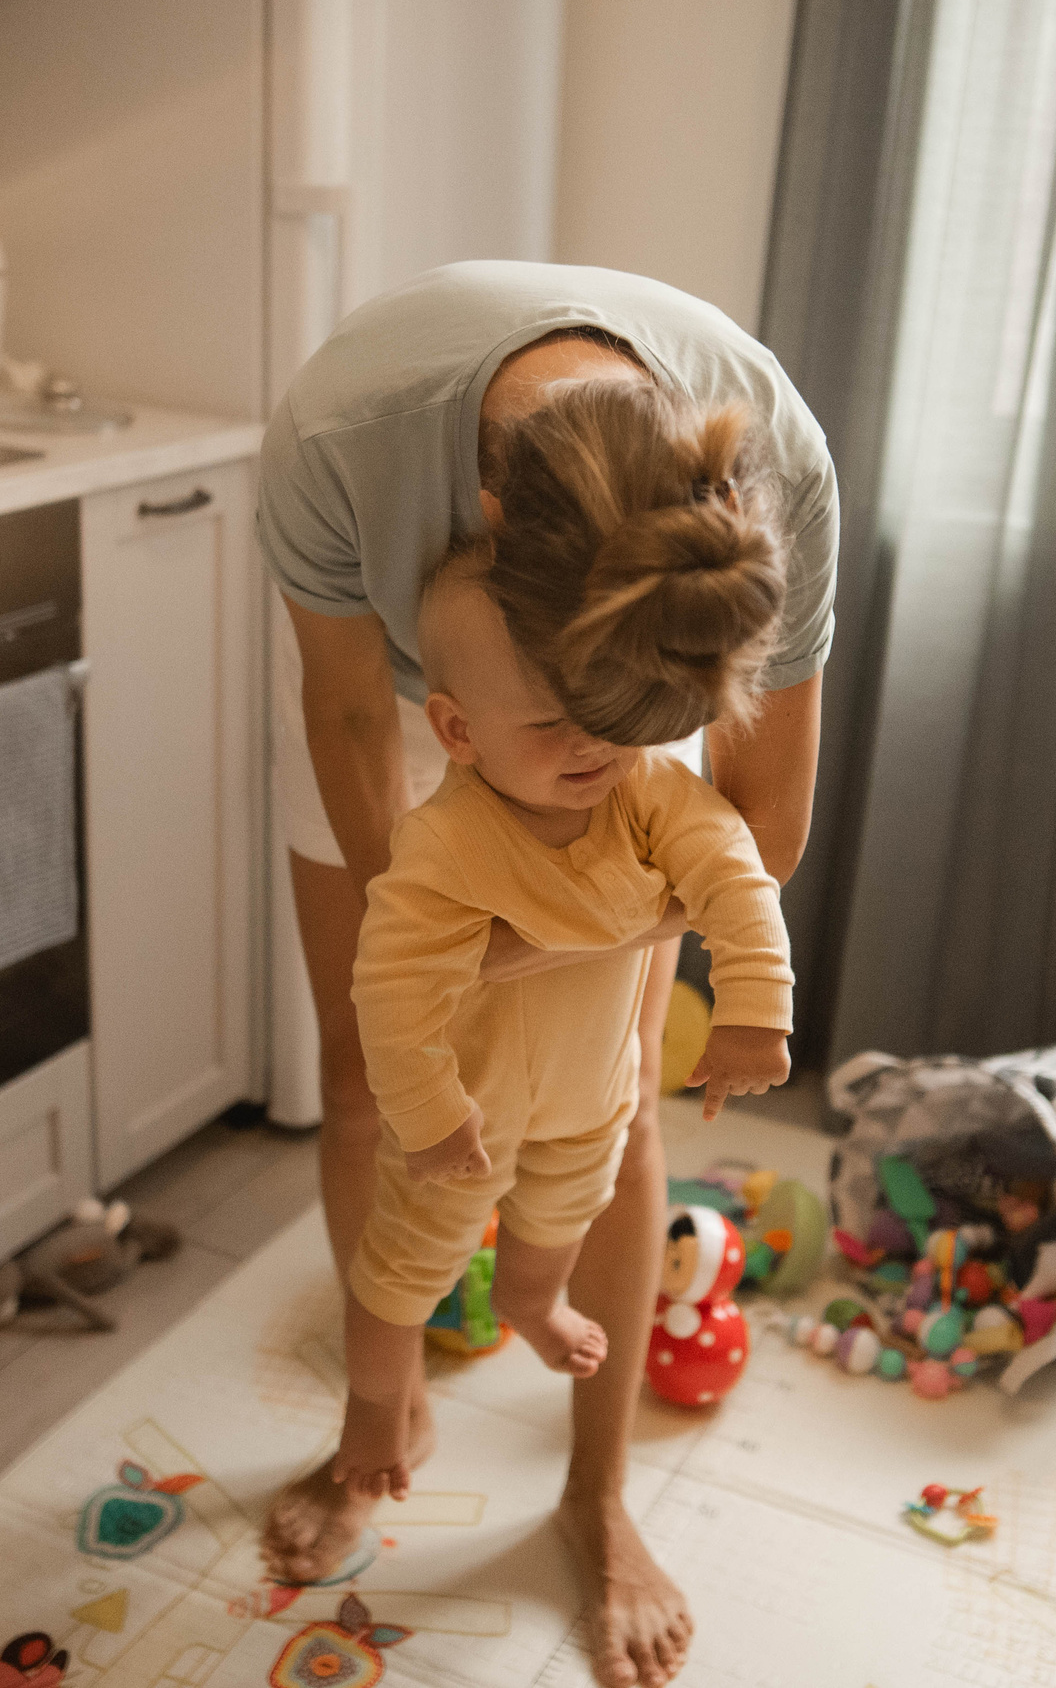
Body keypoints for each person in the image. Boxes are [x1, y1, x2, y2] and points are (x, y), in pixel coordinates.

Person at [259, 261, 835, 1688]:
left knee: (619, 1098)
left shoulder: (772, 463)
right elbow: (343, 715)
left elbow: (757, 823)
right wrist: (446, 952)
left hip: (624, 737)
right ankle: (369, 1428)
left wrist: (588, 930)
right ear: (491, 515)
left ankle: (596, 1495)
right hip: (402, 710)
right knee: (363, 1079)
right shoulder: (343, 442)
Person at [335, 406, 796, 1498]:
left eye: (596, 712)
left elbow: (735, 868)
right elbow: (389, 987)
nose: (588, 742)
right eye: (547, 725)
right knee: (399, 1271)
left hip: (592, 1098)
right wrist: (428, 1108)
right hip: (467, 1114)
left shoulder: (645, 791)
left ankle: (533, 1304)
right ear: (457, 730)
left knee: (556, 1230)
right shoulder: (442, 843)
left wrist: (751, 1008)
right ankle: (370, 1411)